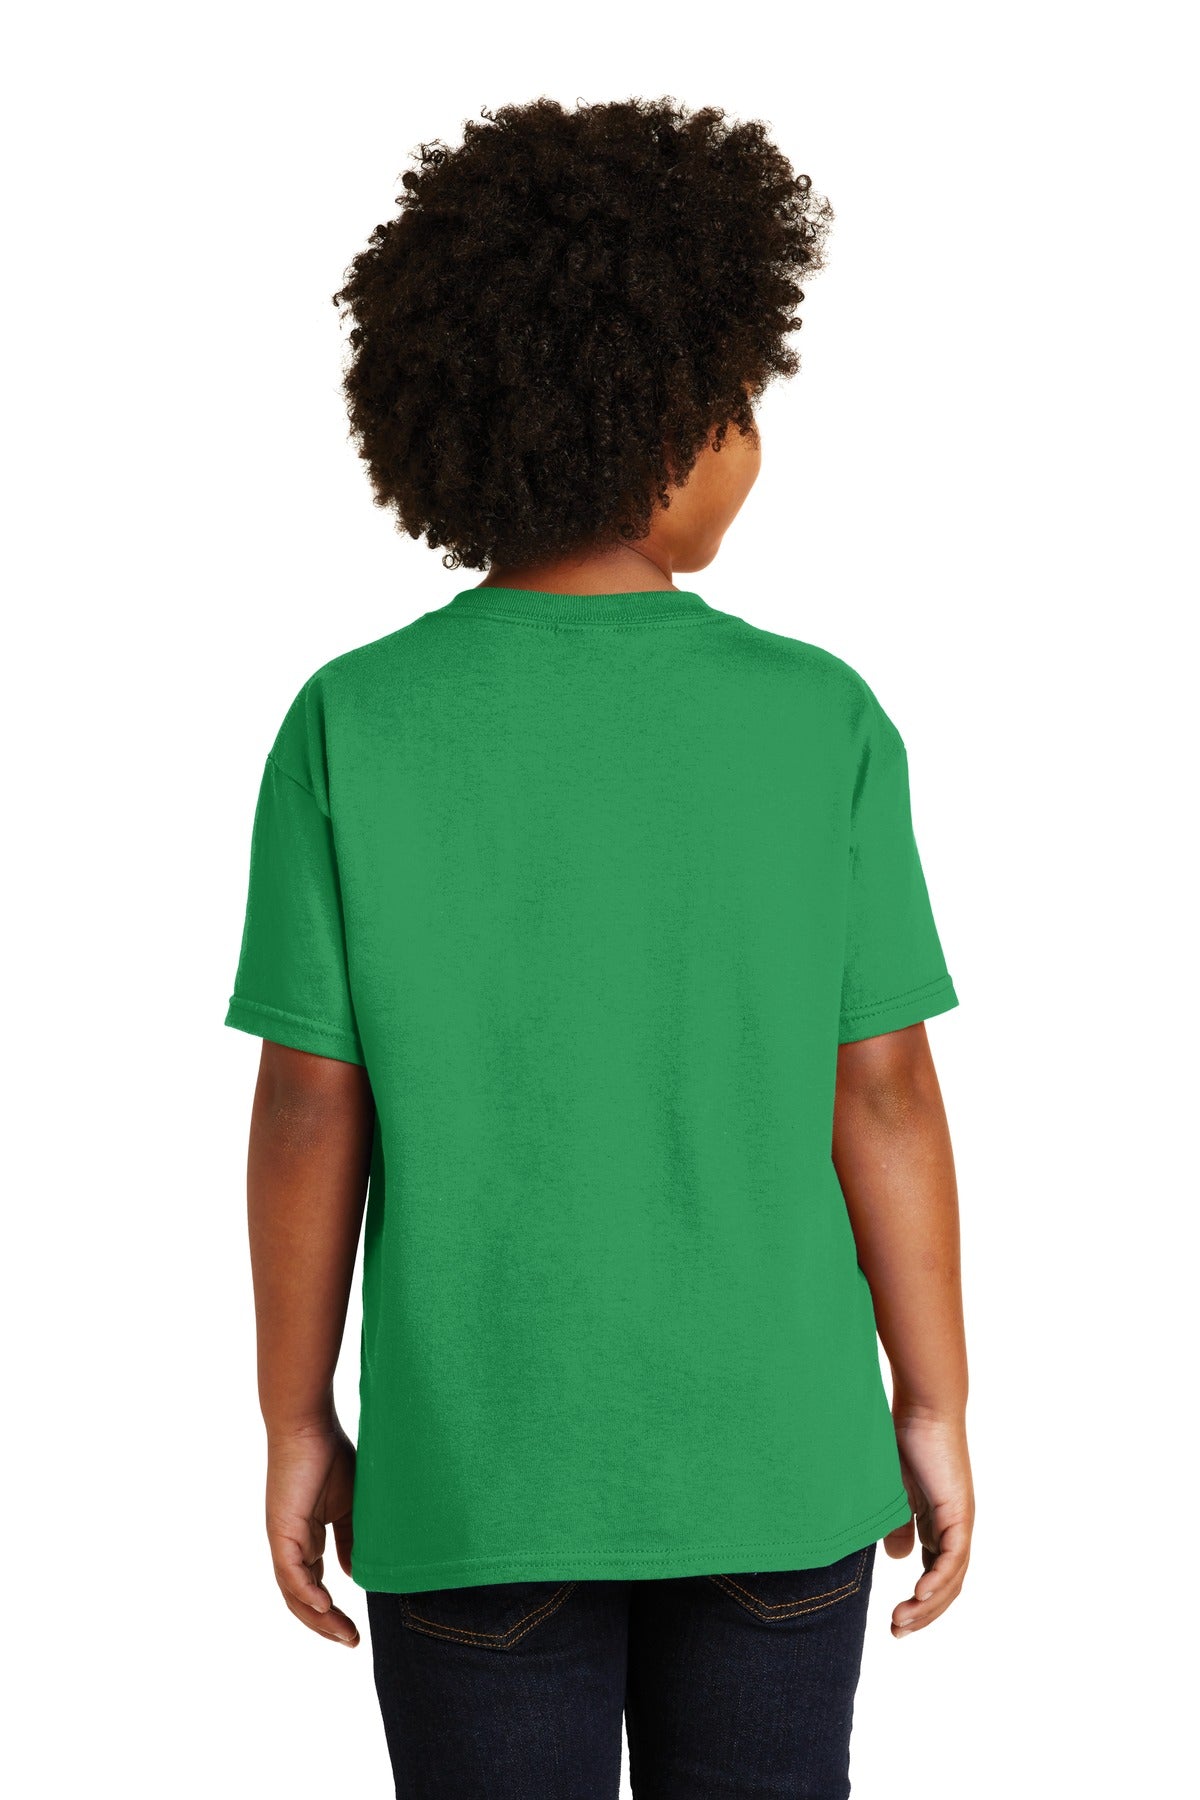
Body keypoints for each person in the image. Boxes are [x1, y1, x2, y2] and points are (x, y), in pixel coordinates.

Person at [225, 96, 973, 1799]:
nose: (753, 445)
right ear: (667, 418)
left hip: (477, 1473)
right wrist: (930, 1401)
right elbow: (886, 1092)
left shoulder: (355, 722)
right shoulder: (820, 719)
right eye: (743, 402)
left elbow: (308, 1108)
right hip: (779, 1461)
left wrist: (295, 1414)